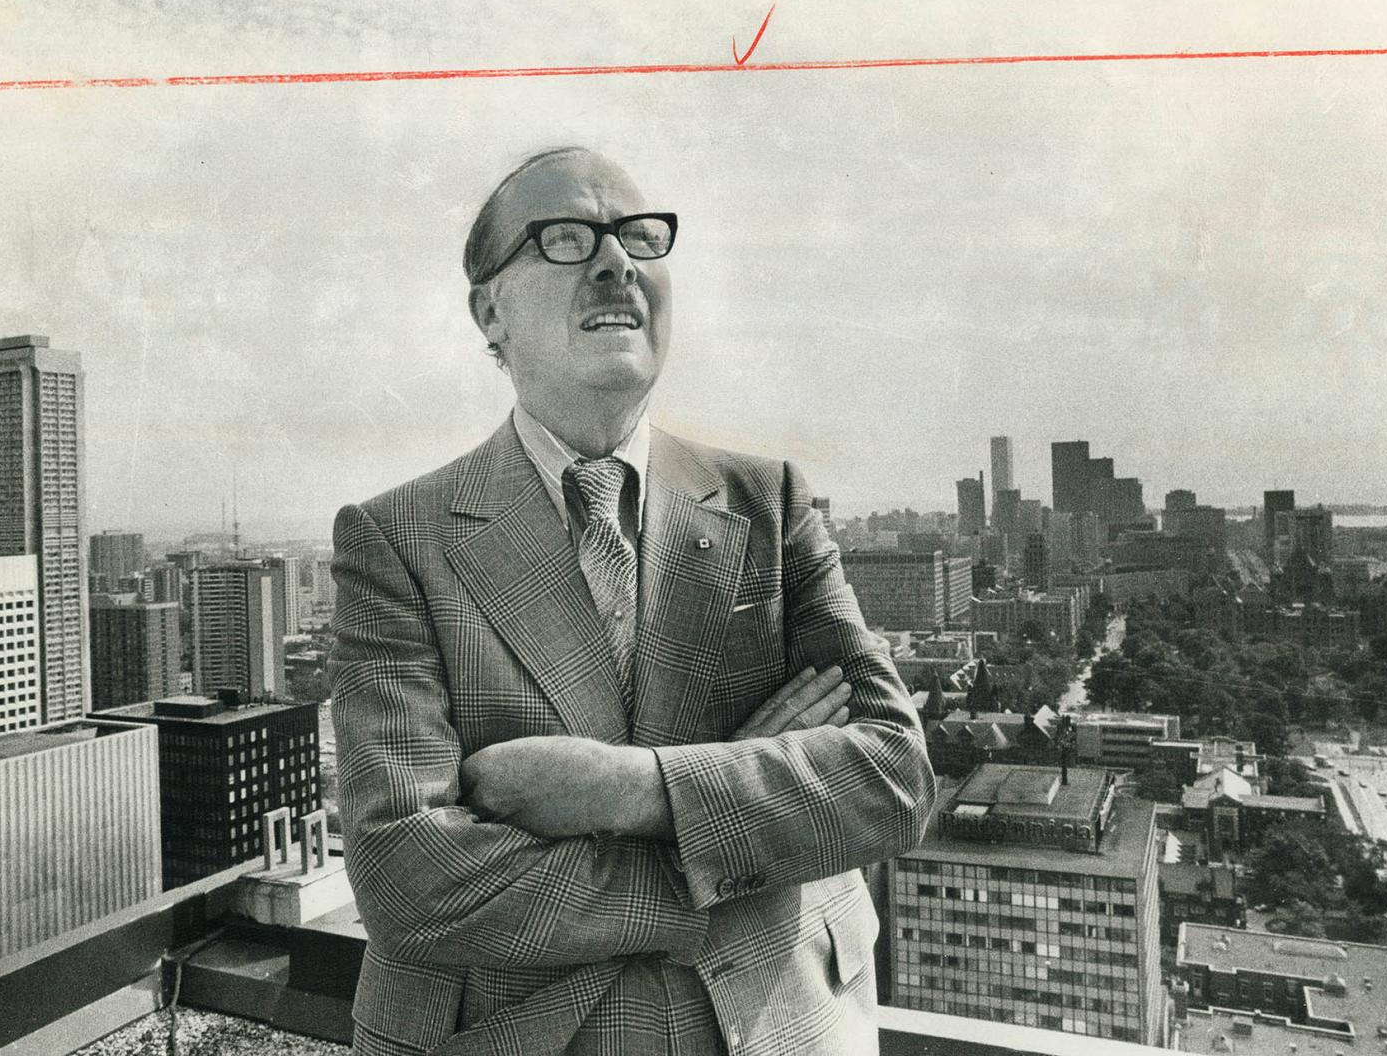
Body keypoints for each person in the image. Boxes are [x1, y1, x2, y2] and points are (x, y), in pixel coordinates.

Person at [328, 145, 936, 1056]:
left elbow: (891, 780)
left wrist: (627, 788)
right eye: (566, 239)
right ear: (489, 312)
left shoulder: (768, 501)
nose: (616, 263)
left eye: (640, 237)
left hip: (782, 1028)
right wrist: (730, 821)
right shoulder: (396, 540)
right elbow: (411, 881)